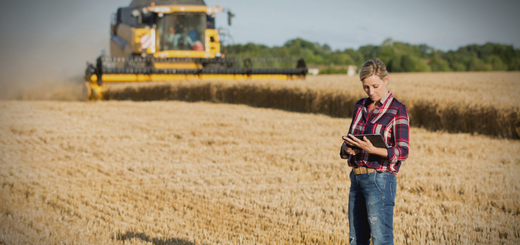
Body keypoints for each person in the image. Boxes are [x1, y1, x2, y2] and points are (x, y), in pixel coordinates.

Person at [340, 58, 410, 245]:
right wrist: (346, 148)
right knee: (356, 240)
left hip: (380, 178)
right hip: (356, 178)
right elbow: (350, 137)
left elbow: (403, 151)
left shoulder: (398, 110)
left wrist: (374, 150)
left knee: (381, 240)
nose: (371, 92)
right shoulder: (360, 106)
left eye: (375, 86)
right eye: (366, 88)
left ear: (386, 79)